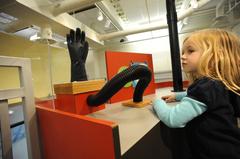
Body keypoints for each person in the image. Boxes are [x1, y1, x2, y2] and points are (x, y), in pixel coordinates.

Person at [153, 29, 240, 159]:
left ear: (215, 55)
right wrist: (178, 96)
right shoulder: (218, 83)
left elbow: (173, 119)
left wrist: (157, 103)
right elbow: (207, 98)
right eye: (183, 52)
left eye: (190, 51)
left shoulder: (206, 87)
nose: (182, 56)